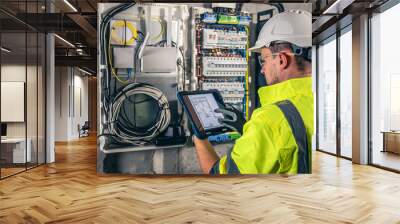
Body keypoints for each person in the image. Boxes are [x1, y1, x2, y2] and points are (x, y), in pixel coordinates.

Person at [193, 9, 314, 174]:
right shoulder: (332, 101)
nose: (262, 70)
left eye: (264, 60)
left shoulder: (269, 120)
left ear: (281, 59)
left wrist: (199, 138)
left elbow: (221, 178)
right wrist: (246, 128)